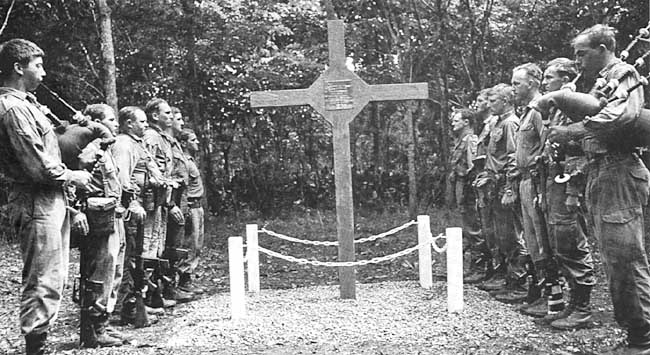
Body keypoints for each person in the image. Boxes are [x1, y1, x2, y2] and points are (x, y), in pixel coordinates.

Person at [548, 24, 649, 353]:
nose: (577, 61)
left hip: (619, 172)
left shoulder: (624, 72)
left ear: (604, 47)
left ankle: (642, 339)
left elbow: (622, 116)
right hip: (600, 174)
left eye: (582, 53)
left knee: (626, 260)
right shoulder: (594, 83)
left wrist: (574, 130)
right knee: (616, 260)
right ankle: (635, 333)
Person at [0, 38, 93, 355]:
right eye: (37, 66)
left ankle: (40, 343)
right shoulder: (13, 110)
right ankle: (36, 348)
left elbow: (56, 147)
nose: (43, 72)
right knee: (42, 277)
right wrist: (74, 176)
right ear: (17, 68)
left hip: (51, 198)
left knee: (54, 275)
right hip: (36, 198)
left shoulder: (29, 105)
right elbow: (37, 164)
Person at [523, 58, 598, 329]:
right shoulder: (555, 109)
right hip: (550, 180)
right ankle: (573, 303)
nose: (545, 84)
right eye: (544, 79)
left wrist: (574, 190)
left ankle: (583, 307)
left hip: (568, 182)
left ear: (566, 80)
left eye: (550, 79)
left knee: (570, 240)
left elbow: (580, 150)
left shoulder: (576, 105)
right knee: (557, 242)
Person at [71, 103, 125, 347]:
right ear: (94, 122)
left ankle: (102, 322)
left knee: (111, 268)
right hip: (95, 216)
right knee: (98, 270)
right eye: (110, 120)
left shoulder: (106, 147)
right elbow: (74, 180)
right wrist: (75, 210)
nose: (115, 124)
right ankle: (92, 326)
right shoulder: (89, 147)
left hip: (111, 214)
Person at [499, 62, 548, 305]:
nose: (513, 88)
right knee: (530, 240)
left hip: (538, 182)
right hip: (524, 181)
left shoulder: (539, 111)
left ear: (532, 83)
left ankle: (551, 296)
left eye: (516, 83)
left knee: (542, 239)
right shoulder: (526, 112)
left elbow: (548, 147)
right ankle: (538, 290)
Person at [474, 83, 528, 300]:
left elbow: (513, 158)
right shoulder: (496, 123)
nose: (489, 104)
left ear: (506, 101)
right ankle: (507, 276)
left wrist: (509, 189)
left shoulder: (511, 124)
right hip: (492, 184)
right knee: (500, 235)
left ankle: (520, 282)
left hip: (504, 185)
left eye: (494, 100)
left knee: (513, 235)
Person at [143, 99, 192, 304]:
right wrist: (169, 203)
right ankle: (147, 296)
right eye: (167, 113)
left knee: (159, 247)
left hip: (163, 199)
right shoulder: (152, 137)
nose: (171, 117)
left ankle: (157, 292)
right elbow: (150, 168)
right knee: (149, 246)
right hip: (153, 200)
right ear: (155, 115)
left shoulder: (162, 138)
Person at [445, 109, 483, 282]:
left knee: (473, 229)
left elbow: (473, 167)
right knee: (466, 227)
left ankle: (479, 267)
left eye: (456, 120)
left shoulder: (471, 140)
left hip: (468, 190)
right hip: (460, 189)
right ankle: (468, 266)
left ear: (467, 122)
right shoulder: (459, 141)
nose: (453, 123)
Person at [178, 128, 206, 294]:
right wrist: (186, 209)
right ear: (184, 143)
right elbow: (183, 187)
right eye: (193, 140)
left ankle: (188, 278)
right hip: (190, 206)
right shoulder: (184, 163)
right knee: (190, 244)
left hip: (197, 206)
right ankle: (184, 280)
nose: (197, 143)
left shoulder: (190, 161)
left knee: (197, 244)